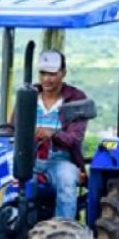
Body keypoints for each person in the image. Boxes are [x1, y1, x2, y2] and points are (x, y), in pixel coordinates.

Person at [32, 49, 88, 219]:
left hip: (59, 158)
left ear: (63, 73)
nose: (46, 79)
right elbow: (13, 128)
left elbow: (74, 138)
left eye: (52, 74)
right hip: (29, 157)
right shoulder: (29, 96)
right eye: (43, 73)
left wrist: (52, 134)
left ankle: (63, 232)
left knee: (66, 180)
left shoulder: (75, 99)